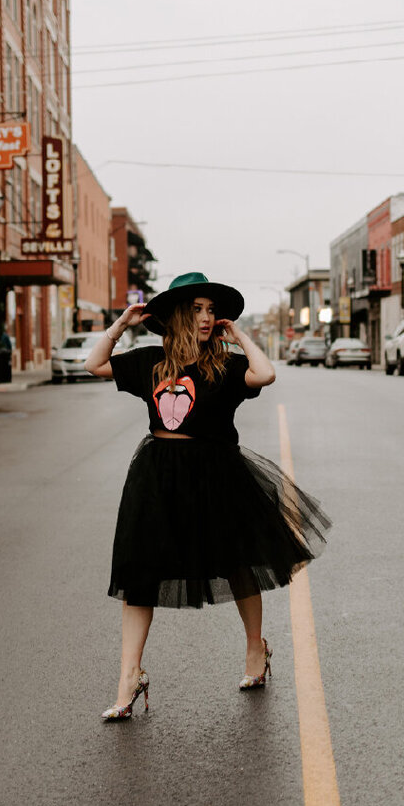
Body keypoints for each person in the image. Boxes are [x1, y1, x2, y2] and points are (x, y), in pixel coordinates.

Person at [85, 272, 331, 721]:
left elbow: (266, 373)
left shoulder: (226, 365)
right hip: (158, 477)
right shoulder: (150, 362)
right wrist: (120, 324)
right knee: (139, 575)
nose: (206, 317)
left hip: (218, 476)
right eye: (197, 309)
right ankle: (129, 677)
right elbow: (95, 365)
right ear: (178, 315)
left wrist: (238, 334)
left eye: (211, 310)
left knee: (239, 565)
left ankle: (255, 650)